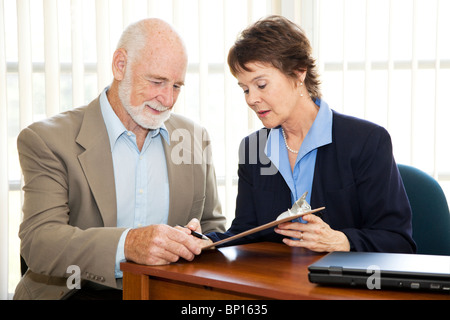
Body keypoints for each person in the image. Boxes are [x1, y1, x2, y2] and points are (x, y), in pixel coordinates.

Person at [14, 18, 226, 300]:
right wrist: (127, 245)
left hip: (162, 293)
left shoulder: (193, 138)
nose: (167, 99)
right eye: (157, 81)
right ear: (120, 65)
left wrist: (197, 241)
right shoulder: (47, 140)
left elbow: (214, 228)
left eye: (177, 86)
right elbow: (39, 243)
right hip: (74, 293)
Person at [207, 15, 416, 254]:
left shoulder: (367, 141)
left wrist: (341, 241)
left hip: (342, 288)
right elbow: (246, 232)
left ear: (299, 73)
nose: (251, 99)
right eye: (245, 89)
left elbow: (398, 241)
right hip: (279, 286)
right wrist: (204, 241)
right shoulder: (253, 148)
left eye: (261, 85)